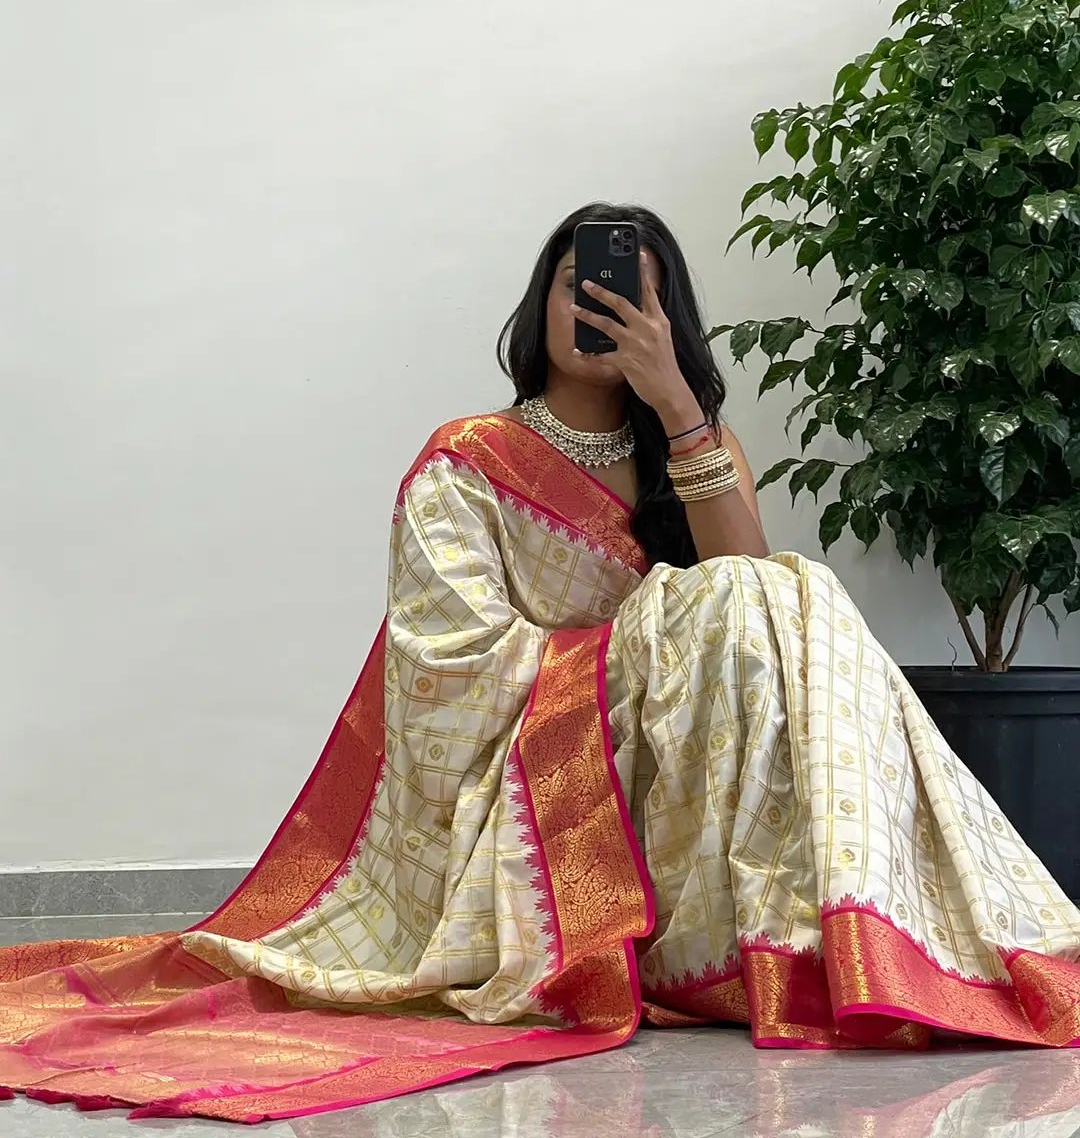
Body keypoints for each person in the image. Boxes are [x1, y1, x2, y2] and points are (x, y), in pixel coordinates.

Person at [3, 203, 1080, 1126]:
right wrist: (633, 657)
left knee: (785, 591)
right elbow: (447, 660)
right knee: (780, 595)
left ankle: (831, 933)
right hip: (542, 774)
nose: (600, 306)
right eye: (581, 285)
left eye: (635, 294)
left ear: (670, 319)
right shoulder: (468, 461)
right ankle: (824, 938)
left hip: (680, 773)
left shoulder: (694, 439)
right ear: (540, 304)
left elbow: (742, 587)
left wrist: (676, 407)